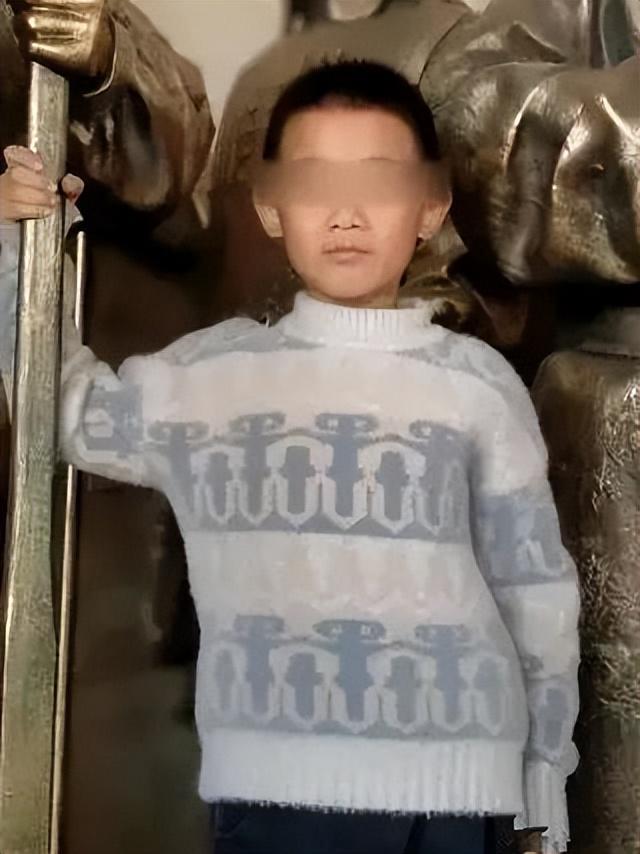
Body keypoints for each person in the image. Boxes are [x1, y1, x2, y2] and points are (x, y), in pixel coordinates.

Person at [0, 61, 580, 854]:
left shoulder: (479, 385)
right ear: (270, 206)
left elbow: (533, 590)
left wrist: (545, 766)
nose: (345, 212)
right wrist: (21, 248)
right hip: (281, 792)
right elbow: (67, 413)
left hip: (461, 789)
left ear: (431, 205)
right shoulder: (214, 380)